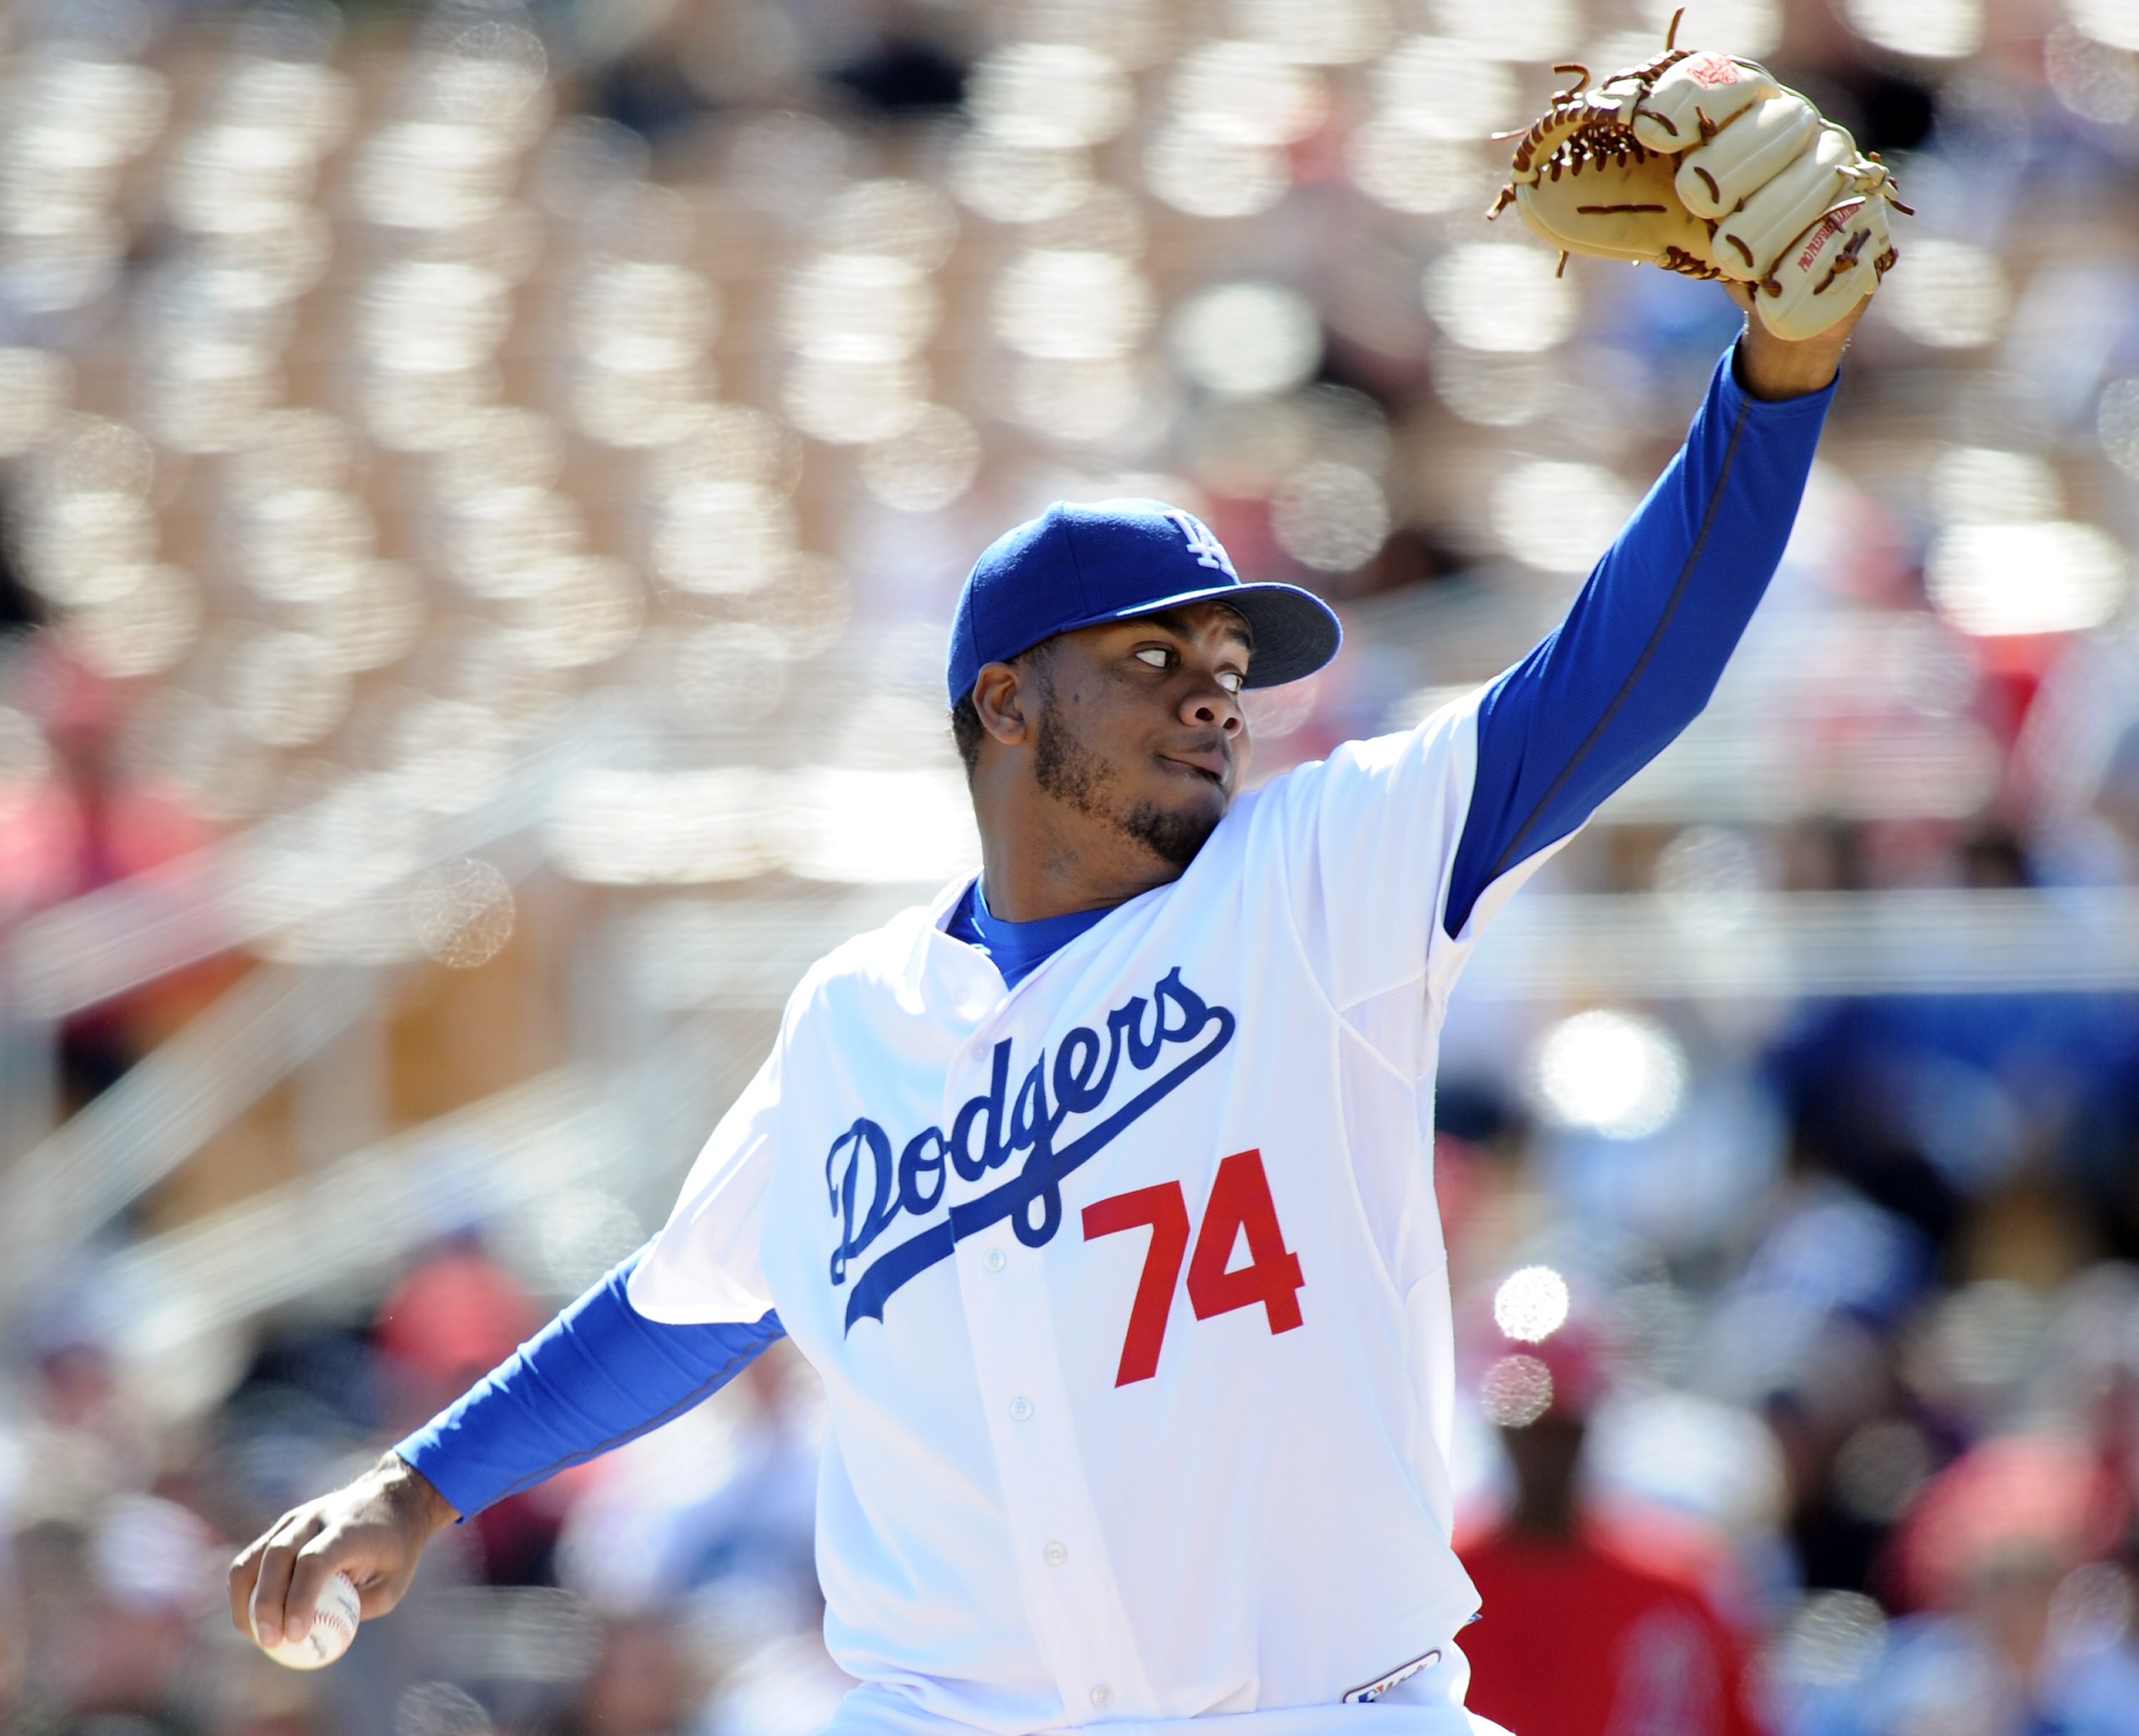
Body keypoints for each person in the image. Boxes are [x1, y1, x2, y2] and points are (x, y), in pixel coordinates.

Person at [230, 285, 1862, 1736]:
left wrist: (1771, 382)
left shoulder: (1313, 877)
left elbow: (1611, 680)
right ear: (1004, 700)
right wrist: (419, 1480)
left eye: (1229, 659)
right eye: (1154, 654)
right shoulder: (852, 1019)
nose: (1215, 688)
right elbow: (693, 1299)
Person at [1456, 1315, 1765, 1736]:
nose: (1543, 1453)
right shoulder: (1442, 1585)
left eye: (1562, 1430)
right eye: (1527, 1429)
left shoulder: (1676, 1590)